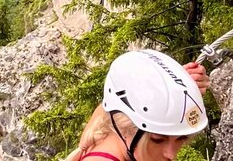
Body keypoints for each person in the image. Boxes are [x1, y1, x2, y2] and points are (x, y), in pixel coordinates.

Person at [66, 50, 210, 161]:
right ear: (124, 127)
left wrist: (176, 93)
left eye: (181, 138)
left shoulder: (107, 131)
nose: (171, 155)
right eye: (158, 140)